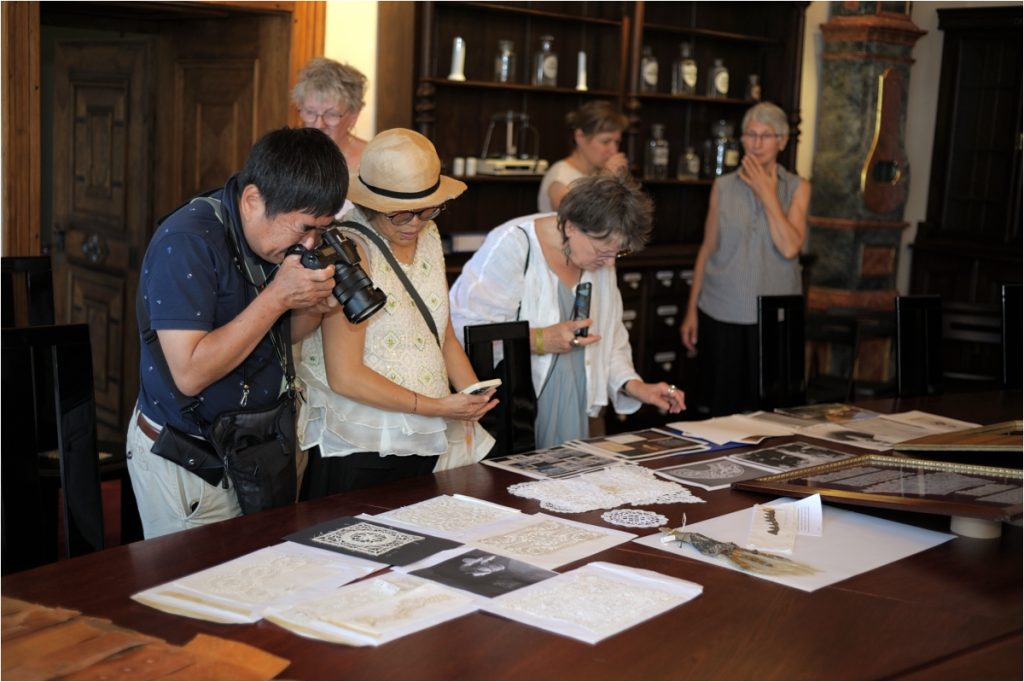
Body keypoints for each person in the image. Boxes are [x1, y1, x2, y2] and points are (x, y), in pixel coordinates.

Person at [127, 127, 348, 539]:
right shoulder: (186, 242)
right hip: (193, 460)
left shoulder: (273, 241)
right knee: (197, 597)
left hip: (261, 448)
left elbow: (282, 338)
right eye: (303, 228)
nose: (311, 242)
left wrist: (316, 308)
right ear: (252, 201)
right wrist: (278, 297)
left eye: (321, 228)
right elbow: (190, 374)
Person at [296, 128, 497, 497]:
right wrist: (437, 406)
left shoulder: (430, 235)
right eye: (402, 215)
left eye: (428, 210)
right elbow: (346, 376)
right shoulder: (348, 249)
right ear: (372, 205)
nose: (416, 225)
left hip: (429, 433)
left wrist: (471, 395)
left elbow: (441, 332)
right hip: (365, 440)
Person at [451, 172, 686, 450]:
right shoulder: (513, 246)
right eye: (603, 250)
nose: (610, 262)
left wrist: (635, 386)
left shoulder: (600, 260)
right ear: (572, 226)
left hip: (580, 407)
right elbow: (463, 329)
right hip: (517, 414)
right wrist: (539, 339)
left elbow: (611, 338)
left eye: (618, 253)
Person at [680, 102, 812, 417]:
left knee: (769, 413)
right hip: (721, 309)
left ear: (783, 141)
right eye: (750, 135)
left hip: (773, 319)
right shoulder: (723, 186)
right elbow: (708, 248)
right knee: (721, 410)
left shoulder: (797, 187)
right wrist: (690, 311)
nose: (756, 143)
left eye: (766, 135)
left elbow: (790, 246)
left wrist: (768, 194)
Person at [537, 100, 630, 212]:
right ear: (580, 136)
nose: (614, 151)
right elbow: (574, 219)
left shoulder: (596, 172)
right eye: (605, 142)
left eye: (617, 142)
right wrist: (606, 178)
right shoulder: (560, 176)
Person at [292, 56, 369, 172]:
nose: (319, 125)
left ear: (354, 116)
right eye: (310, 112)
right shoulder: (285, 156)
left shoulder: (372, 161)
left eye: (331, 114)